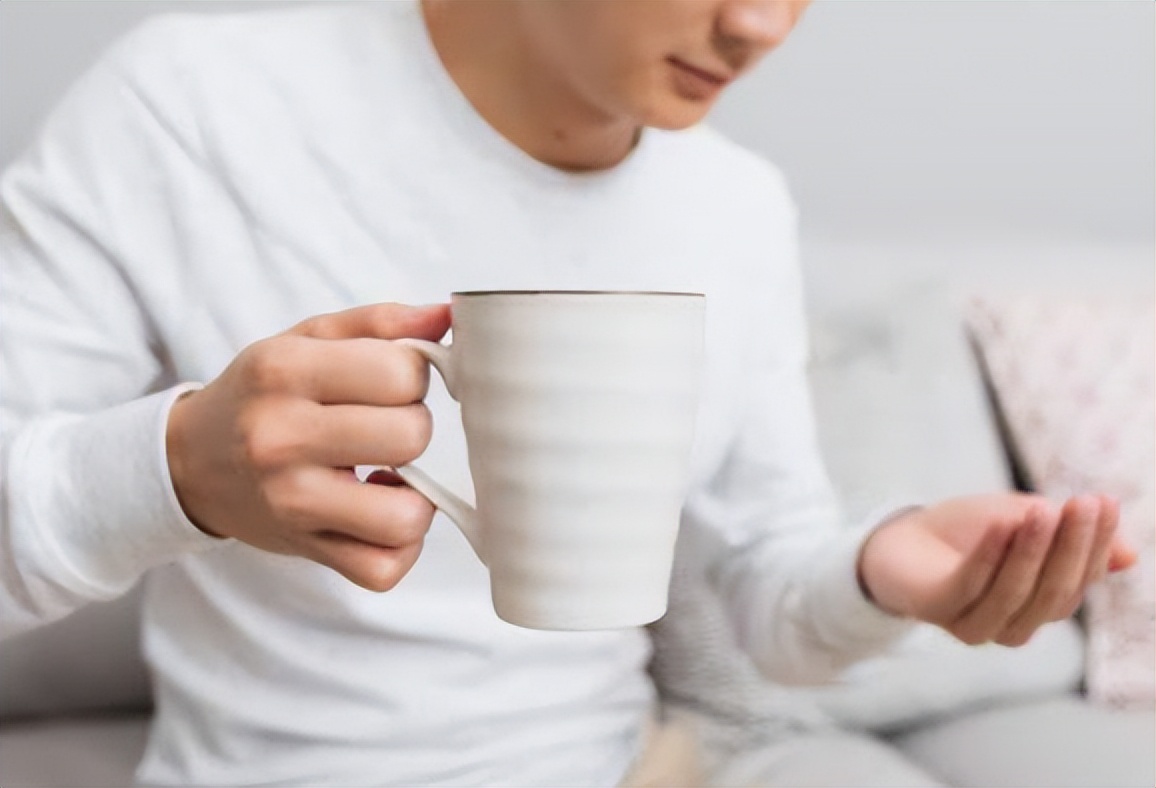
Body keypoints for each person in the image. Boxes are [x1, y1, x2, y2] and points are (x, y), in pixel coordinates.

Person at [0, 1, 1135, 786]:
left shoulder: (736, 209)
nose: (759, 27)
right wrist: (179, 468)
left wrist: (880, 571)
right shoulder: (187, 110)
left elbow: (768, 596)